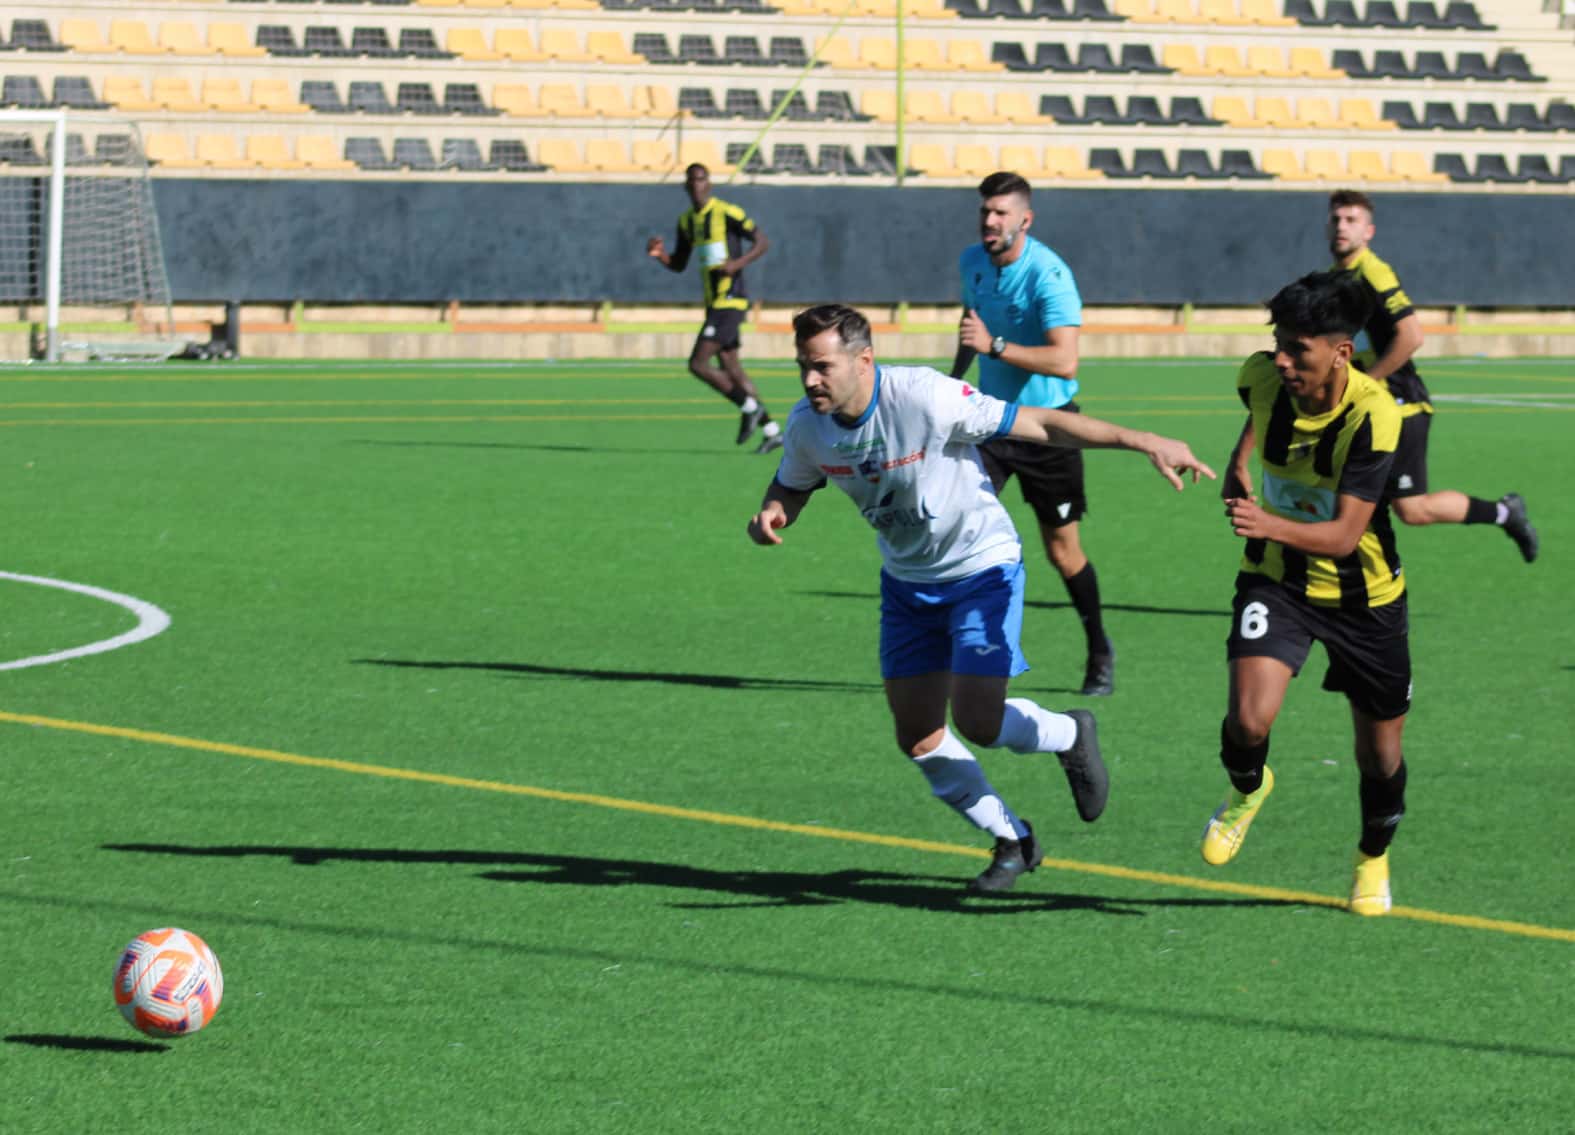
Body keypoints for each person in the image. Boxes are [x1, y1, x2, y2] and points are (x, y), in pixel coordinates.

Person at [749, 304, 1213, 893]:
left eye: (821, 367)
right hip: (907, 585)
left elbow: (1041, 425)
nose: (810, 380)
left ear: (864, 360)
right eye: (802, 367)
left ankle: (1070, 734)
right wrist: (774, 511)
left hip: (981, 567)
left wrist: (1141, 440)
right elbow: (791, 482)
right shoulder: (806, 427)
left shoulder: (924, 396)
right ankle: (1013, 839)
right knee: (917, 735)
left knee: (978, 720)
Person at [1206, 269, 1416, 916]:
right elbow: (1257, 408)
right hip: (1276, 581)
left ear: (1340, 352)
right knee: (1246, 719)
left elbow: (1345, 535)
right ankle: (1247, 788)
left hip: (1365, 598)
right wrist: (1240, 462)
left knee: (1379, 756)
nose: (1281, 357)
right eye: (1277, 341)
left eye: (1297, 347)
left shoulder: (1376, 416)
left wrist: (1266, 520)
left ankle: (1371, 856)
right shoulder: (1259, 375)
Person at [949, 172, 1115, 697]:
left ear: (1025, 219)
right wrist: (954, 385)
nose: (990, 221)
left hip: (1049, 430)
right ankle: (962, 649)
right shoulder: (972, 262)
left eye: (1001, 213)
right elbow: (969, 327)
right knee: (957, 528)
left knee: (1063, 552)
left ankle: (1099, 651)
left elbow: (1065, 361)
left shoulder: (1049, 273)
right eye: (985, 211)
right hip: (991, 422)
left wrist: (993, 346)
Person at [1304, 190, 1535, 560]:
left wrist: (1371, 380)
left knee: (1412, 509)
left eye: (1352, 220)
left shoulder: (1373, 273)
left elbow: (1412, 336)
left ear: (1369, 231)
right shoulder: (1334, 279)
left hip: (1400, 405)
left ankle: (1505, 513)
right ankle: (1328, 589)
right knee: (1346, 496)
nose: (1341, 227)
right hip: (1363, 407)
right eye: (1336, 219)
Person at [647, 163, 782, 454]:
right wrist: (660, 256)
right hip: (714, 304)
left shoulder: (726, 212)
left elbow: (762, 242)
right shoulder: (686, 222)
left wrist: (736, 264)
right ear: (686, 186)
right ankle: (772, 431)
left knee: (697, 364)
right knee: (731, 366)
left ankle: (749, 407)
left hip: (730, 300)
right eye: (692, 181)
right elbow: (680, 263)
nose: (697, 185)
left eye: (702, 179)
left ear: (709, 184)